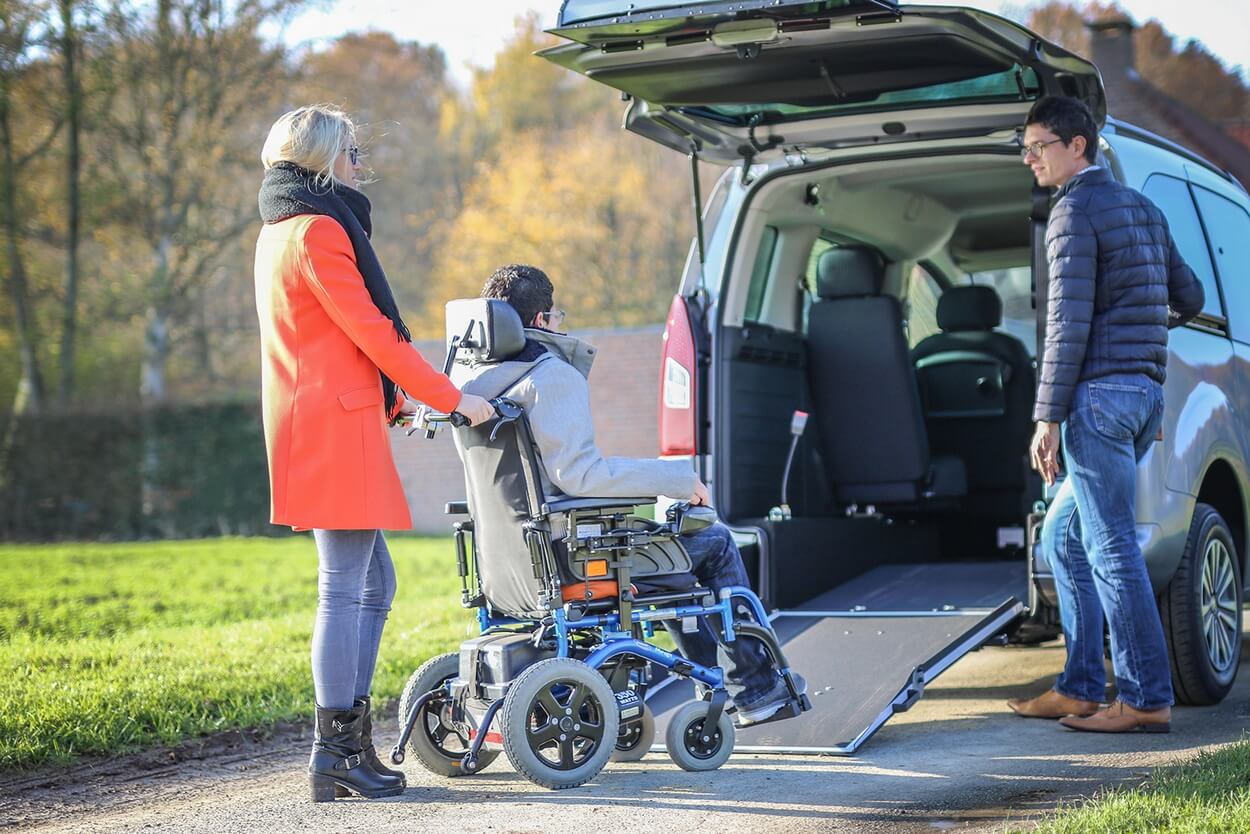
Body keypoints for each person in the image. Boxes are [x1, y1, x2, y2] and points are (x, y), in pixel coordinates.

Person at [253, 105, 494, 802]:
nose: (361, 165)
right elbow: (374, 335)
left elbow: (324, 340)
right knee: (344, 584)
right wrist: (452, 398)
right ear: (325, 158)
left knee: (374, 582)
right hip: (331, 427)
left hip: (327, 417)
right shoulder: (319, 231)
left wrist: (398, 400)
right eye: (352, 153)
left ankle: (346, 749)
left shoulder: (280, 230)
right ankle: (334, 754)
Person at [453, 264, 803, 726]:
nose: (561, 324)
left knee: (672, 549)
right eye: (557, 316)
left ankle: (716, 681)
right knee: (711, 542)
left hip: (507, 567)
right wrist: (675, 479)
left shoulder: (467, 387)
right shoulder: (549, 375)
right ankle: (757, 688)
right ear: (539, 321)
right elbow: (580, 476)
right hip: (570, 559)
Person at [1007, 97, 1204, 733]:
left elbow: (1065, 326)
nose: (1029, 157)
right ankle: (1081, 685)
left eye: (1039, 145)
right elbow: (1190, 295)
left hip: (1094, 400)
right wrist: (1139, 331)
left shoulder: (1072, 212)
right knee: (1066, 539)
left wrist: (1046, 417)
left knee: (1110, 546)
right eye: (1027, 146)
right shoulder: (1143, 208)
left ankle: (1146, 697)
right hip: (1143, 398)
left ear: (1079, 146)